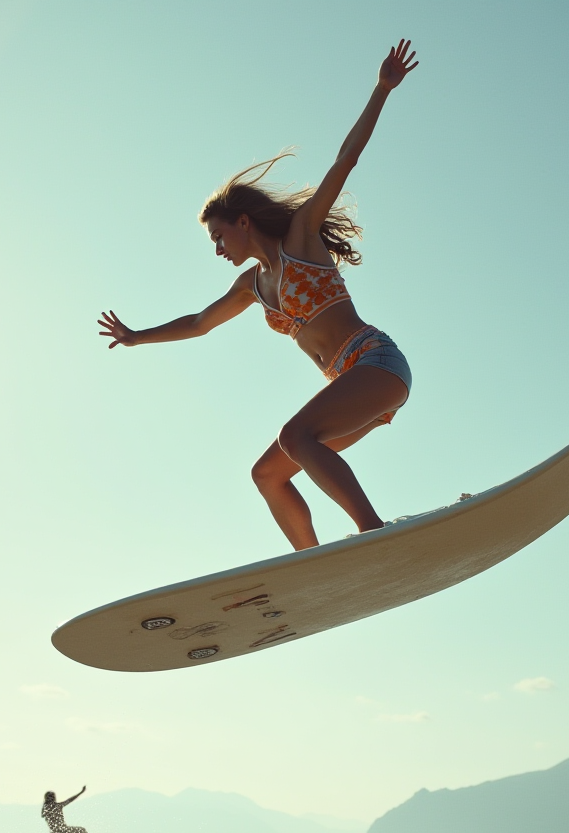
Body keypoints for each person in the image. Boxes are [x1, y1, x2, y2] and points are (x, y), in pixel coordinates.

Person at [99, 40, 419, 551]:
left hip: (375, 363)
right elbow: (199, 322)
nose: (219, 249)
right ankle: (313, 566)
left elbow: (346, 160)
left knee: (295, 438)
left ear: (243, 222)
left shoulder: (302, 237)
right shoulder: (251, 287)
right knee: (268, 474)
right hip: (349, 381)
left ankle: (372, 533)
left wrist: (381, 89)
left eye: (219, 237)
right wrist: (137, 337)